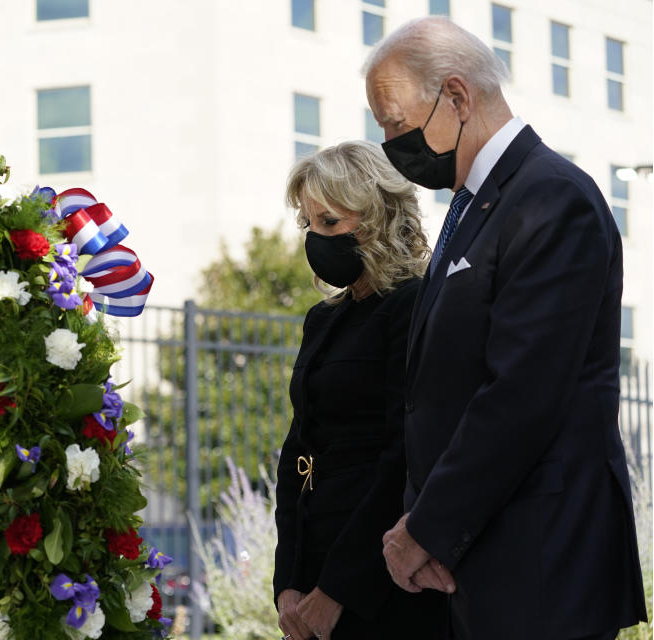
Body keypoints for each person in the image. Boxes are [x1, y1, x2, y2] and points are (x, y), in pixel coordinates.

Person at [364, 17, 648, 640]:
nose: (388, 142)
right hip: (485, 566)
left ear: (458, 98)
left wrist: (425, 531)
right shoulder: (478, 206)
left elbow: (521, 395)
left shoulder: (552, 199)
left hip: (543, 569)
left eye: (393, 122)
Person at [274, 141, 447, 640]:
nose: (316, 238)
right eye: (309, 224)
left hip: (379, 578)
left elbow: (404, 458)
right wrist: (288, 580)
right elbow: (297, 449)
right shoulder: (324, 317)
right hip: (311, 565)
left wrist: (338, 591)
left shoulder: (414, 305)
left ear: (378, 217)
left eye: (330, 222)